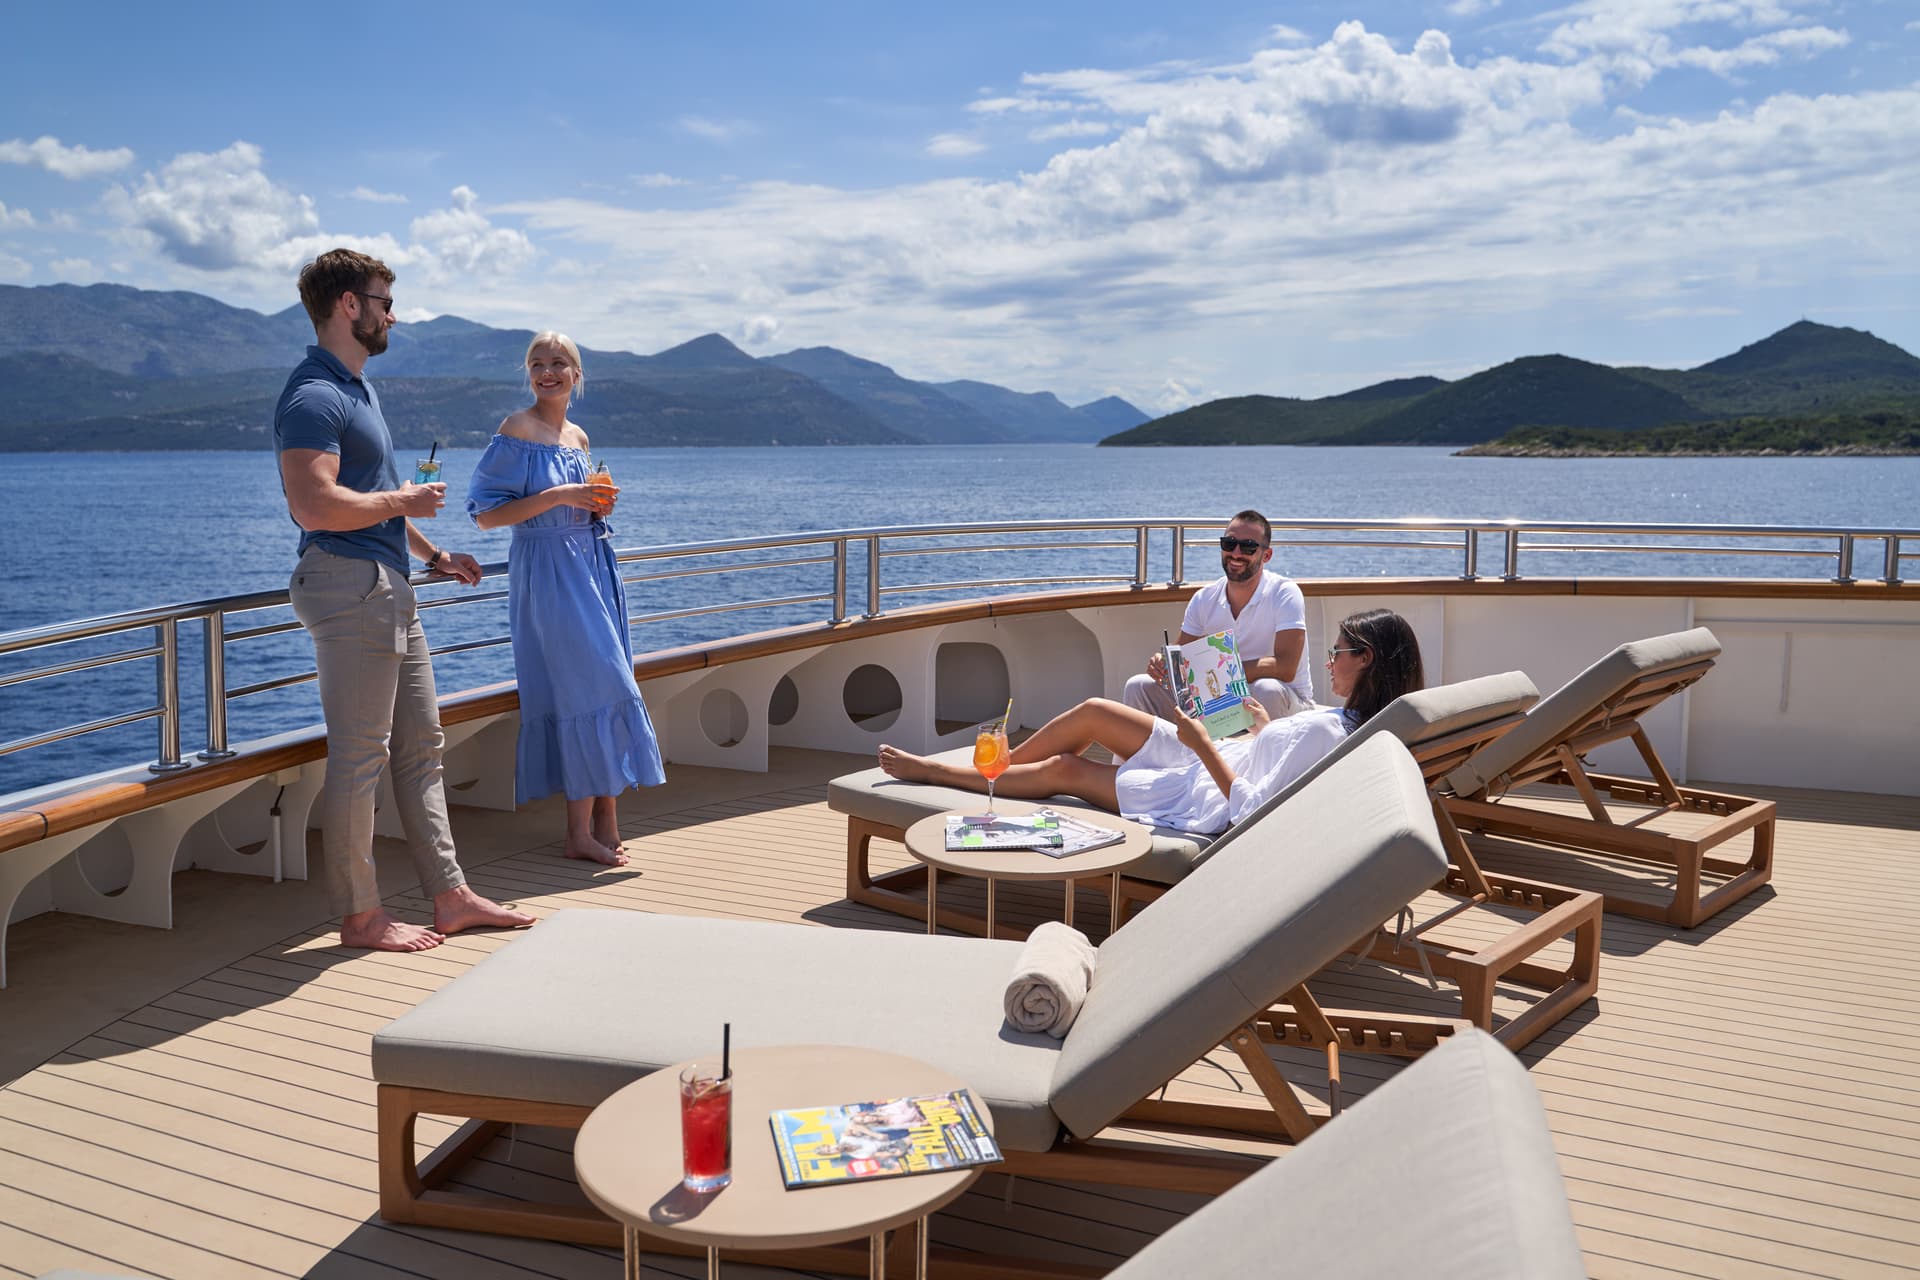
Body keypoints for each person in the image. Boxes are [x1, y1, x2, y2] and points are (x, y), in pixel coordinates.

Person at [275, 248, 535, 952]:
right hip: (348, 585)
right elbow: (314, 504)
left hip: (387, 584)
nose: (394, 312)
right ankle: (360, 916)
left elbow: (373, 505)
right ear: (348, 305)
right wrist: (405, 499)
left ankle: (450, 895)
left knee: (422, 748)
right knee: (361, 759)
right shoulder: (314, 395)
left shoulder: (357, 390)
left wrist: (434, 554)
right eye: (384, 300)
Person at [880, 609, 1424, 835]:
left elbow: (1255, 811)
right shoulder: (1350, 722)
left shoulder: (1335, 730)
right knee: (1095, 711)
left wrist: (1202, 744)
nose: (1329, 660)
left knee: (1068, 770)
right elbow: (1284, 766)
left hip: (1201, 792)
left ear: (1368, 658)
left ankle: (937, 773)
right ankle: (1000, 765)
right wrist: (1258, 728)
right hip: (1216, 755)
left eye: (1338, 651)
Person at [467, 332, 666, 864]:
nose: (547, 372)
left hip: (594, 566)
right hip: (548, 573)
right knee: (588, 689)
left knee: (610, 684)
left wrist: (596, 508)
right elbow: (485, 515)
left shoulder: (578, 437)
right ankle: (578, 832)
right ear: (527, 372)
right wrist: (562, 496)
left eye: (558, 363)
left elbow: (581, 505)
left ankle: (606, 816)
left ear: (577, 375)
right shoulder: (516, 429)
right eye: (537, 363)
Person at [1123, 509, 1312, 721]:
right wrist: (1162, 664)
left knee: (1266, 689)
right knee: (1138, 686)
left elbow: (1285, 669)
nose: (1236, 553)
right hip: (1221, 698)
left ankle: (1262, 754)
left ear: (1266, 555)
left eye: (1248, 547)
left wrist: (1221, 673)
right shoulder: (1204, 598)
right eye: (1229, 544)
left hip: (1287, 700)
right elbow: (1180, 662)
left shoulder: (1284, 593)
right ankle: (1143, 754)